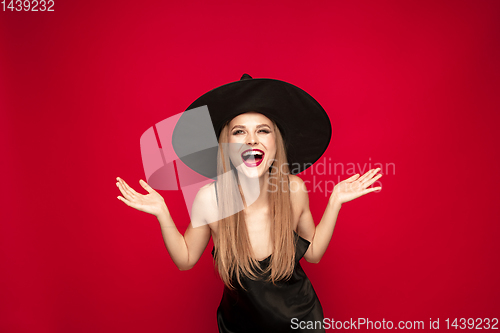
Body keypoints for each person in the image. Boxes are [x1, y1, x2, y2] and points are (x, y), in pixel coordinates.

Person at [116, 74, 382, 333]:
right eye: (239, 131)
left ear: (276, 144)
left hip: (300, 321)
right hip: (238, 324)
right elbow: (185, 260)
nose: (252, 139)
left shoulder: (293, 189)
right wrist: (162, 213)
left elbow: (313, 253)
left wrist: (335, 201)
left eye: (263, 131)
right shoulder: (210, 198)